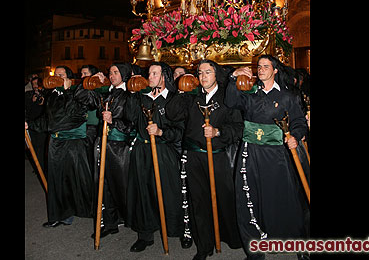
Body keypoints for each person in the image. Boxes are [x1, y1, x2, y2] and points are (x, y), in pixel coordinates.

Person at [225, 55, 309, 260]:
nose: (261, 69)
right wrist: (232, 77)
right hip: (251, 154)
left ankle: (298, 243)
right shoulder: (250, 94)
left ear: (275, 70)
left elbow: (299, 122)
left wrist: (295, 137)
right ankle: (255, 247)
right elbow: (230, 101)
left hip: (278, 156)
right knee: (250, 199)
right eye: (258, 66)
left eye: (265, 66)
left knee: (287, 199)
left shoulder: (288, 96)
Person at [180, 59, 243, 260]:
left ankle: (229, 237)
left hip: (217, 157)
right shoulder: (192, 98)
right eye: (200, 72)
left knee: (223, 198)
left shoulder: (227, 98)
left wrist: (218, 132)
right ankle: (204, 245)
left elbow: (238, 127)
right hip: (194, 157)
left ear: (217, 74)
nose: (203, 76)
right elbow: (176, 117)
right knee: (198, 201)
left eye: (208, 72)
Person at [29, 65, 102, 228]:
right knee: (57, 182)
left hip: (74, 144)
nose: (57, 77)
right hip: (56, 143)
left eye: (61, 75)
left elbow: (87, 105)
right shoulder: (52, 95)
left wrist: (71, 90)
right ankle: (60, 215)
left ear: (68, 77)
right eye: (56, 74)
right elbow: (48, 121)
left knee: (81, 181)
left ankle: (98, 212)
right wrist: (30, 125)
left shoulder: (77, 92)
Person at [124, 61, 186, 252]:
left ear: (164, 77)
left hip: (163, 151)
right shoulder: (142, 97)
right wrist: (133, 95)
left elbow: (180, 130)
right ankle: (145, 234)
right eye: (149, 73)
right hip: (143, 151)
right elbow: (130, 117)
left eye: (154, 74)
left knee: (169, 192)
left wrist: (161, 132)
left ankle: (178, 229)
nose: (149, 77)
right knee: (143, 193)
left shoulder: (173, 99)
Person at [91, 62, 135, 240]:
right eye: (110, 72)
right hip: (103, 144)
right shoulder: (106, 92)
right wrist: (93, 81)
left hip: (119, 148)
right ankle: (109, 222)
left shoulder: (130, 95)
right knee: (104, 184)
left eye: (116, 72)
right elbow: (85, 97)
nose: (112, 75)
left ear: (124, 74)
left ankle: (131, 218)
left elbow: (132, 124)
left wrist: (113, 122)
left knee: (121, 185)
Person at [25, 75, 48, 179]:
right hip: (32, 126)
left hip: (42, 127)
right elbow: (28, 111)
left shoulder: (46, 94)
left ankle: (43, 169)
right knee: (34, 148)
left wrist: (43, 101)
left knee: (42, 148)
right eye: (33, 84)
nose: (35, 86)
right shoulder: (29, 95)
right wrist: (32, 102)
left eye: (36, 84)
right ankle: (38, 168)